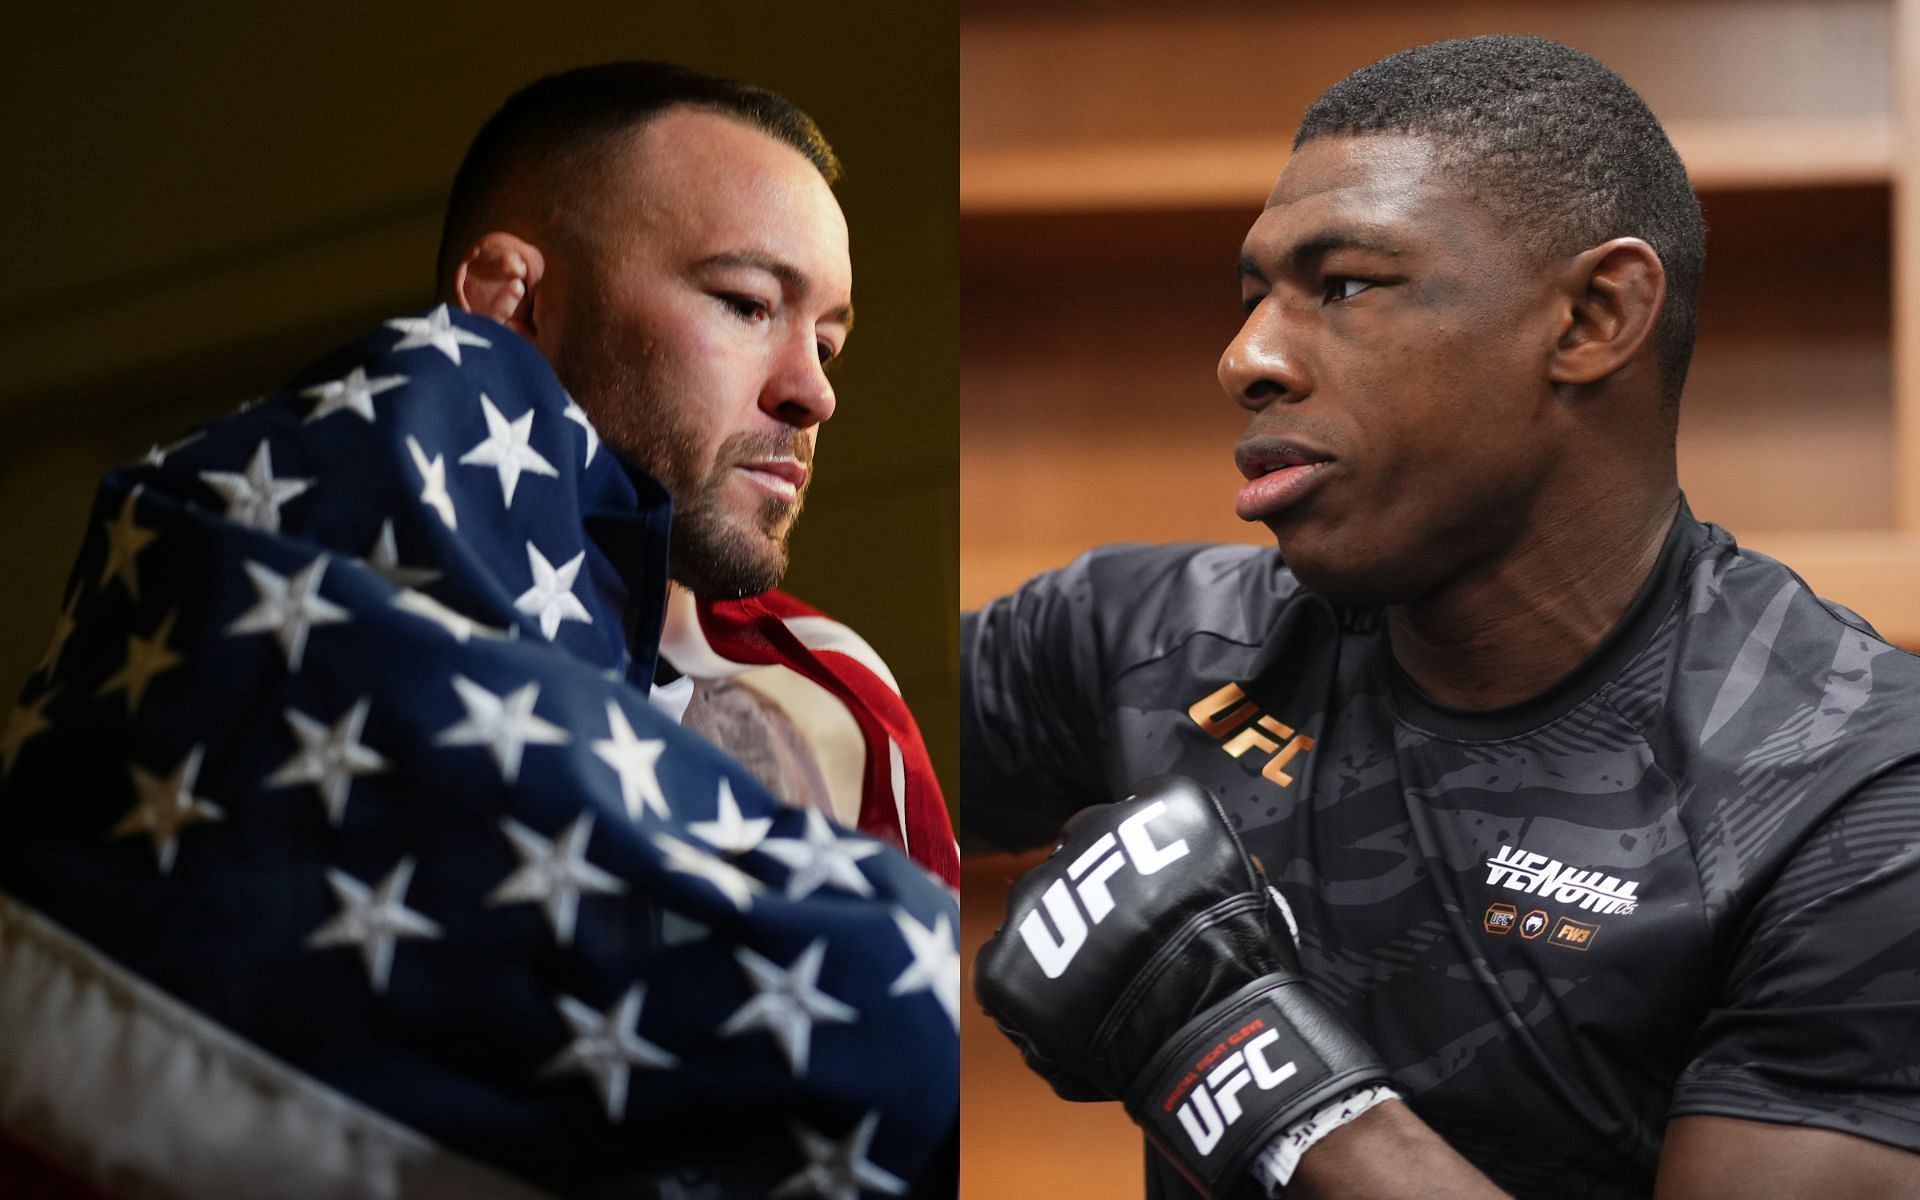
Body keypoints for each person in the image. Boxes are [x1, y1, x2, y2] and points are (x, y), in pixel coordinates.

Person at [965, 35, 1920, 1200]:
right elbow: (750, 729)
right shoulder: (1146, 642)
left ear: (1592, 318)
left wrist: (1256, 1077)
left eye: (1346, 285)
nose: (1246, 356)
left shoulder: (1853, 794)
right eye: (1253, 294)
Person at [0, 62, 957, 1198]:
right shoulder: (291, 522)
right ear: (510, 300)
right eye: (747, 303)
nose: (813, 393)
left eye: (830, 341)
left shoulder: (836, 698)